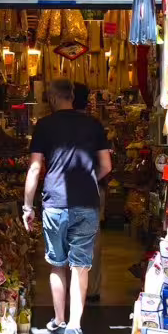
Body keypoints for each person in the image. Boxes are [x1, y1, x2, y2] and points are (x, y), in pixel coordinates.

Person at [22, 79, 112, 334]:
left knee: (57, 264)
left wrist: (28, 206)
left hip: (54, 203)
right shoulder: (93, 125)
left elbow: (35, 168)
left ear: (51, 98)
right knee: (80, 266)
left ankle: (60, 319)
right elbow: (106, 166)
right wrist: (89, 181)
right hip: (86, 203)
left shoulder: (44, 126)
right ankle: (74, 325)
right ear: (73, 96)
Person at [72, 82, 106, 303]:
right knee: (92, 240)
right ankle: (90, 290)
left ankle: (71, 291)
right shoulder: (95, 125)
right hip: (94, 188)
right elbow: (106, 165)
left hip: (63, 191)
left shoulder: (60, 125)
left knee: (66, 240)